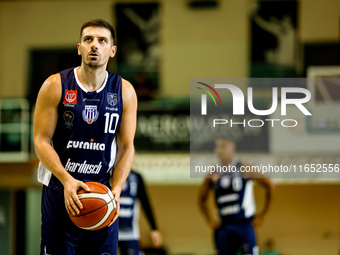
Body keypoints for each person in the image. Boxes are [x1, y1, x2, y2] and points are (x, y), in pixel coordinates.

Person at [33, 18, 137, 255]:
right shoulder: (54, 85)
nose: (94, 45)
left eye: (102, 40)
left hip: (101, 193)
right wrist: (67, 180)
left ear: (112, 50)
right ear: (79, 47)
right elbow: (41, 141)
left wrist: (117, 190)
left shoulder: (125, 91)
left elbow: (126, 146)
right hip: (61, 192)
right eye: (88, 39)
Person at [198, 139, 274, 255]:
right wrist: (210, 220)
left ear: (232, 150)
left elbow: (270, 185)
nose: (219, 150)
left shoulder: (244, 169)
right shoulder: (213, 174)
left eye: (223, 147)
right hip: (224, 226)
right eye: (217, 147)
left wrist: (264, 215)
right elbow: (201, 199)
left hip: (244, 224)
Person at [118, 170, 163, 255]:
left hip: (130, 232)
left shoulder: (136, 177)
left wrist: (154, 229)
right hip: (109, 230)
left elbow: (145, 203)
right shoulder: (107, 173)